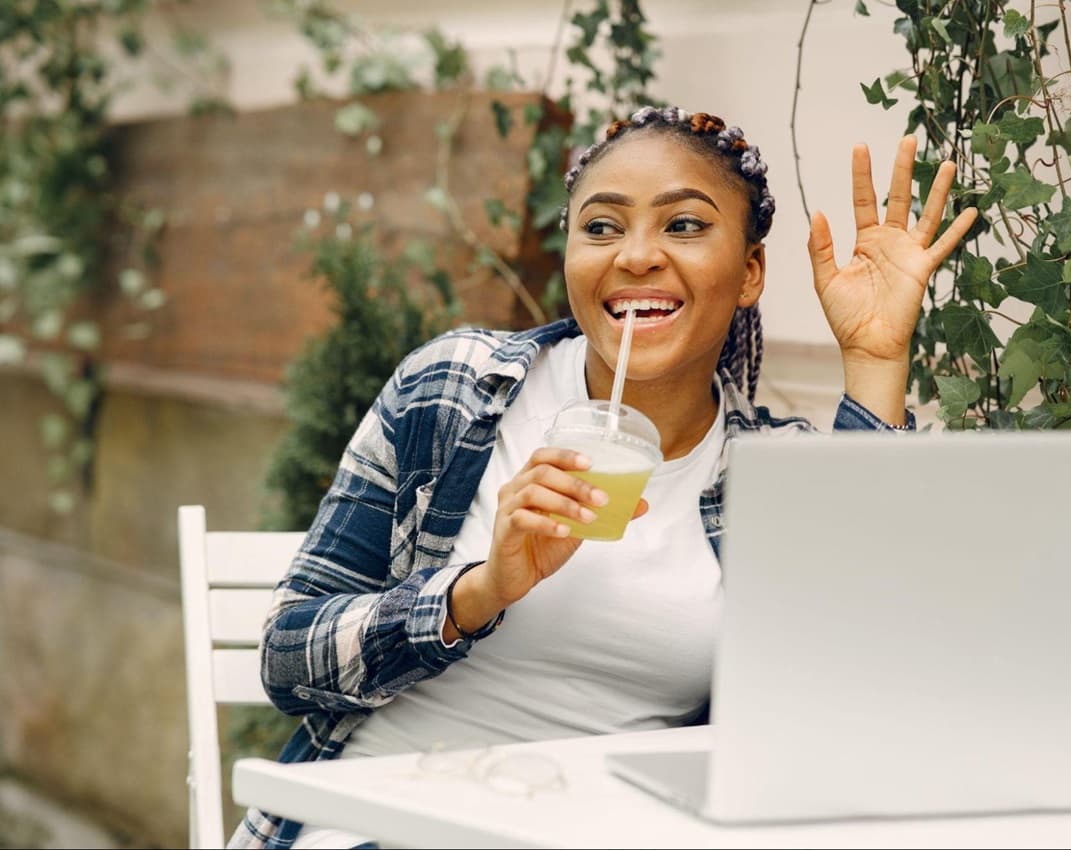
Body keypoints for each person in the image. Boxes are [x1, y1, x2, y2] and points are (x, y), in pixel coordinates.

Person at [229, 104, 977, 849]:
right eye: (601, 227)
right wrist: (477, 593)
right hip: (374, 826)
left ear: (750, 273)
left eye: (683, 225)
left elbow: (849, 689)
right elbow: (288, 657)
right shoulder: (456, 389)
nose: (636, 255)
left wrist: (875, 363)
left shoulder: (768, 479)